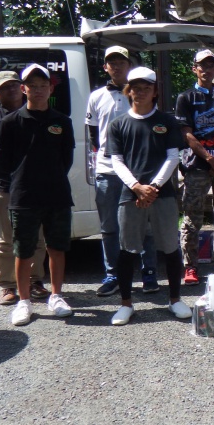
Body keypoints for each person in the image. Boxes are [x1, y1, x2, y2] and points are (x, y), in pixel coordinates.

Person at [106, 67, 190, 325]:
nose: (139, 92)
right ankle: (126, 304)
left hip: (162, 194)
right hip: (130, 195)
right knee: (127, 250)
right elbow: (116, 162)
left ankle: (175, 299)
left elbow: (173, 157)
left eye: (146, 88)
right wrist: (137, 187)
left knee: (171, 247)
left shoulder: (167, 121)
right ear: (127, 91)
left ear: (155, 92)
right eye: (135, 88)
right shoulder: (118, 124)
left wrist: (152, 187)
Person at [0, 64, 75, 326]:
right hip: (23, 196)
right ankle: (24, 302)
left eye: (43, 86)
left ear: (51, 89)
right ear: (23, 89)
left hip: (57, 194)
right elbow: (3, 162)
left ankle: (56, 296)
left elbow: (67, 159)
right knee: (23, 250)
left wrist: (49, 177)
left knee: (56, 248)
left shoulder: (62, 121)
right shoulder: (10, 122)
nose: (38, 90)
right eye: (33, 86)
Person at [86, 46, 159, 297]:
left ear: (129, 65)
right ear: (105, 66)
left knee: (145, 225)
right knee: (109, 227)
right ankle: (112, 274)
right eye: (111, 62)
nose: (116, 66)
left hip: (139, 171)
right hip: (107, 170)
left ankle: (149, 272)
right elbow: (94, 135)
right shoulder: (96, 96)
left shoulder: (138, 94)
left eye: (121, 62)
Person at [175, 49, 214, 286]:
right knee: (192, 215)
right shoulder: (186, 97)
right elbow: (187, 134)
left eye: (211, 65)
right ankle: (190, 266)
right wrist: (209, 159)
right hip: (197, 165)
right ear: (195, 69)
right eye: (202, 65)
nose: (207, 70)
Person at [0, 71, 49, 306]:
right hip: (2, 186)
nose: (11, 90)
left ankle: (35, 282)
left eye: (15, 85)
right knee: (4, 240)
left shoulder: (39, 115)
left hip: (34, 186)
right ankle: (7, 286)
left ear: (22, 88)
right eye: (4, 87)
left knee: (36, 238)